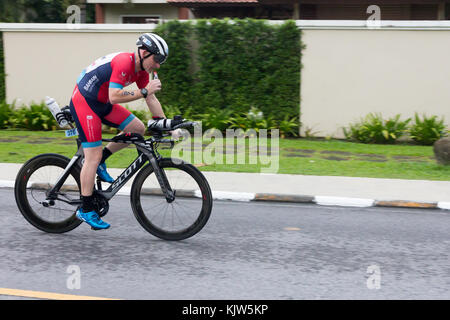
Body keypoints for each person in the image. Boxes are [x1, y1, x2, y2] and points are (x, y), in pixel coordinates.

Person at [69, 33, 170, 230]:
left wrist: (166, 125)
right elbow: (115, 96)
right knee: (92, 156)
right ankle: (86, 208)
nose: (158, 65)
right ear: (144, 52)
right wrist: (144, 91)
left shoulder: (141, 72)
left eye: (161, 61)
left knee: (137, 129)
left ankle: (102, 160)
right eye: (157, 59)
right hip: (85, 102)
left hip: (101, 102)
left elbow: (151, 99)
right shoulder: (124, 62)